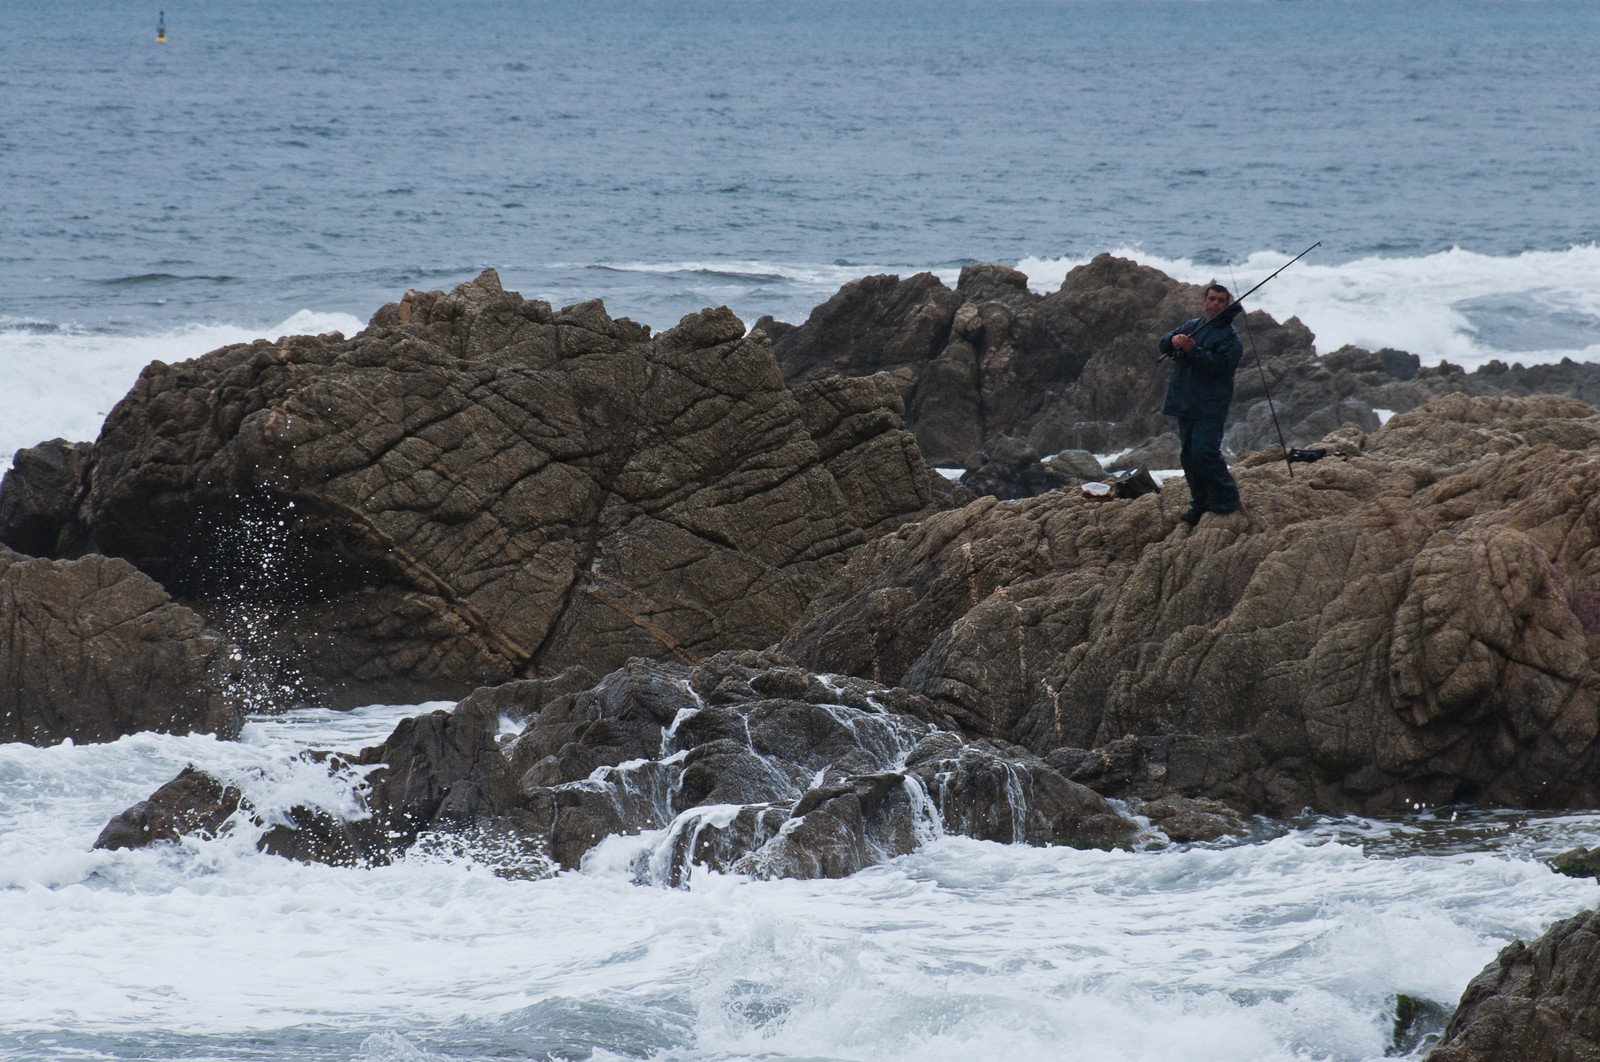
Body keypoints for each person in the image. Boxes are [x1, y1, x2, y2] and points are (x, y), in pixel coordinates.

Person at [1158, 283, 1244, 525]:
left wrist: (1194, 351)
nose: (1215, 303)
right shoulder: (1193, 325)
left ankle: (1227, 497)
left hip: (1211, 404)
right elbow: (1163, 342)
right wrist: (1173, 340)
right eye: (1212, 299)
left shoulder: (1230, 337)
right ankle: (1201, 502)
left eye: (1220, 300)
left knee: (1205, 451)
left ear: (1227, 304)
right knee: (1188, 456)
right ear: (1204, 301)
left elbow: (1223, 367)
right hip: (1185, 402)